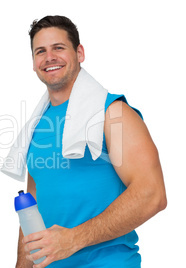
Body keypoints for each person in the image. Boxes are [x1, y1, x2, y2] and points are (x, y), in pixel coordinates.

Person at [13, 15, 167, 267]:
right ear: (33, 63)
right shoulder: (36, 127)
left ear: (79, 53)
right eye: (40, 51)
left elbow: (152, 194)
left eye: (58, 48)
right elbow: (33, 204)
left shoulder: (113, 113)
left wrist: (73, 239)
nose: (49, 57)